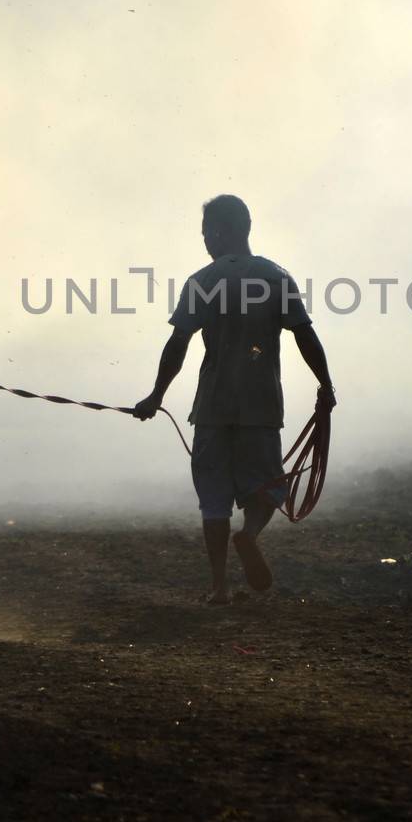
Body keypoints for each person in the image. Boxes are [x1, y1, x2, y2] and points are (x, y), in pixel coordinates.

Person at [133, 194, 336, 604]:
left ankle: (219, 586)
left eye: (207, 231)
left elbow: (178, 344)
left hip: (211, 405)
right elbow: (304, 335)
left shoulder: (201, 282)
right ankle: (250, 534)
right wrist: (325, 385)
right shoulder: (276, 277)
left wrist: (156, 395)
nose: (205, 240)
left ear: (221, 231)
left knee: (213, 498)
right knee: (265, 485)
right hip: (260, 405)